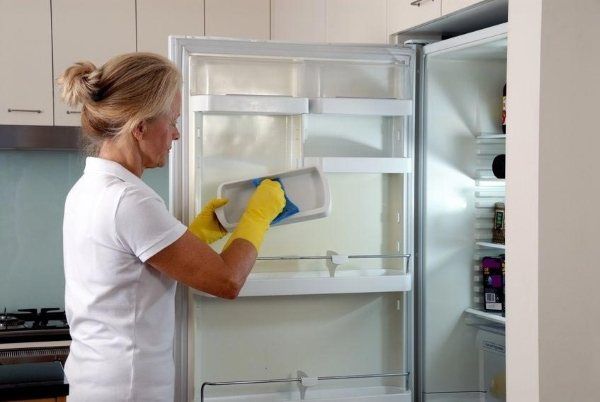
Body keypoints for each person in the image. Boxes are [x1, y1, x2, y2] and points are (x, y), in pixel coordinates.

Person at [59, 52, 285, 402]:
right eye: (173, 121)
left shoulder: (87, 189)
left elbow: (134, 271)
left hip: (95, 381)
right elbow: (227, 281)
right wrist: (258, 217)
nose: (177, 135)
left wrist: (196, 236)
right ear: (139, 128)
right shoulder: (130, 200)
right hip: (129, 390)